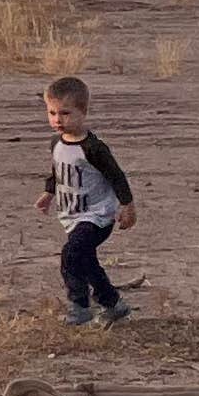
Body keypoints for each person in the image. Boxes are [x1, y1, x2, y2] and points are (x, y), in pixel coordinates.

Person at [38, 73, 136, 326]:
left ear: (83, 112)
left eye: (65, 113)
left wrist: (127, 206)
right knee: (86, 260)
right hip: (71, 215)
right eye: (52, 113)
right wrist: (49, 193)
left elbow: (116, 176)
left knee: (71, 254)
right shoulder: (56, 143)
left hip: (97, 216)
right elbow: (58, 171)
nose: (57, 119)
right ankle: (113, 304)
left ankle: (79, 306)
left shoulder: (93, 148)